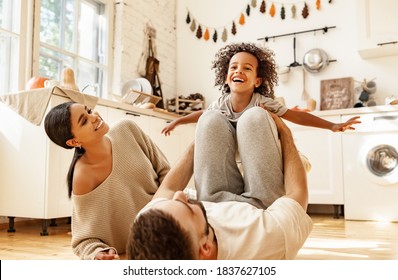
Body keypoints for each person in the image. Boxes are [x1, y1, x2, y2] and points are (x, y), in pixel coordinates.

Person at [127, 111, 313, 260]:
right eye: (186, 207)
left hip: (212, 199)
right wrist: (285, 133)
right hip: (263, 209)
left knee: (209, 121)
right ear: (206, 247)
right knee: (254, 117)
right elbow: (296, 194)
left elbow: (168, 189)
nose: (180, 195)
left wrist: (199, 142)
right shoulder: (267, 239)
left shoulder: (149, 225)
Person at [44, 102, 170, 260]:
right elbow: (83, 238)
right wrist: (98, 253)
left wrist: (167, 215)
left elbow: (166, 172)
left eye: (89, 110)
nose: (94, 117)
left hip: (170, 221)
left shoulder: (127, 128)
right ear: (74, 142)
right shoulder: (83, 176)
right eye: (84, 121)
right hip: (143, 248)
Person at [161, 42, 360, 136]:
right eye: (234, 67)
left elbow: (295, 116)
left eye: (247, 68)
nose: (239, 71)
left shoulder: (262, 102)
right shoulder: (221, 103)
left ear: (257, 81)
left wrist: (332, 125)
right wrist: (178, 121)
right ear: (226, 77)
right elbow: (202, 114)